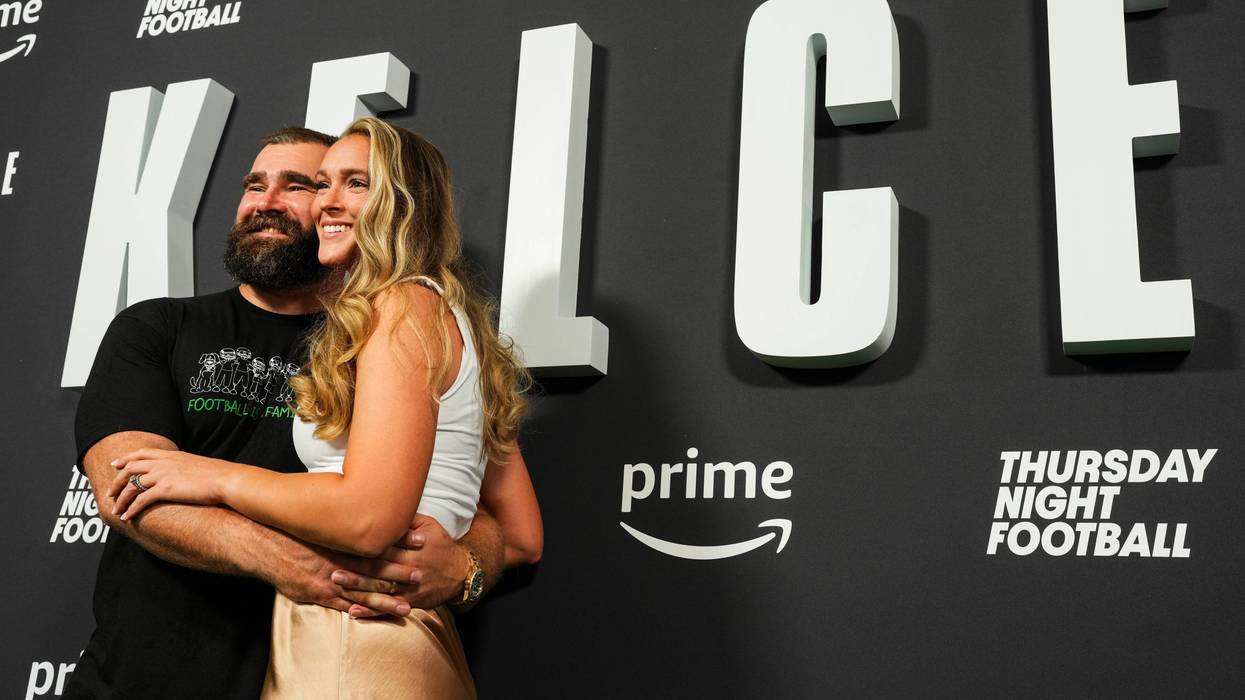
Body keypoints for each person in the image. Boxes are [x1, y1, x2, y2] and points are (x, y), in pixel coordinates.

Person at [68, 125, 541, 699]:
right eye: (256, 184)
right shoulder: (158, 328)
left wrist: (462, 568)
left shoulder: (391, 319)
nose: (271, 202)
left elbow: (500, 527)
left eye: (303, 185)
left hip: (351, 636)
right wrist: (286, 560)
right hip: (161, 674)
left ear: (399, 200)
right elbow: (132, 486)